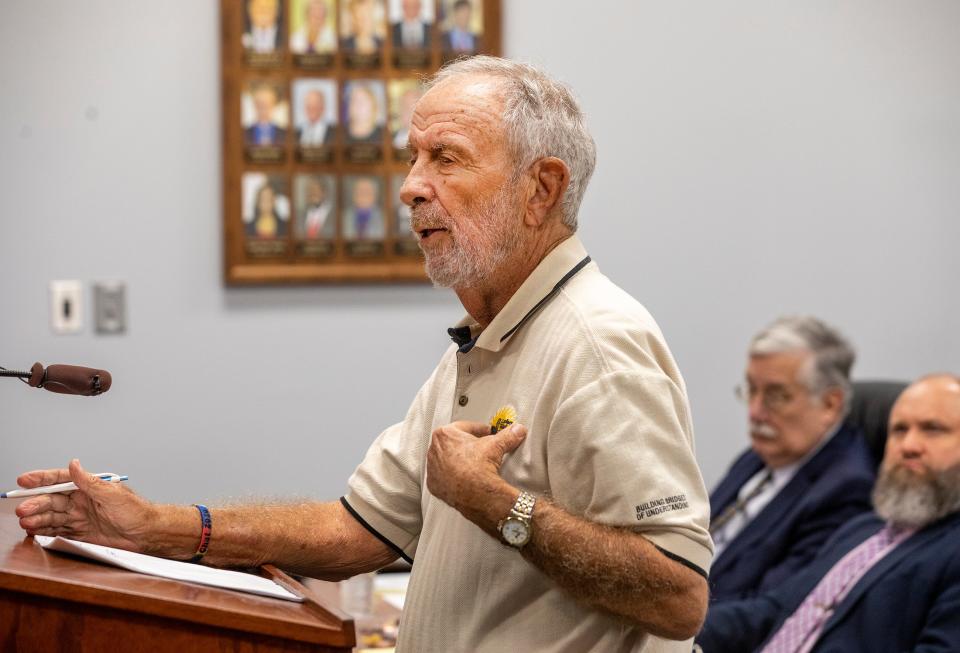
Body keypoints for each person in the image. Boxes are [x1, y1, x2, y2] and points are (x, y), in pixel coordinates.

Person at [15, 56, 711, 653]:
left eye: (445, 158)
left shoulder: (598, 339)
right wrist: (152, 524)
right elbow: (356, 526)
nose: (410, 185)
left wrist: (498, 503)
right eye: (412, 157)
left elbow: (680, 592)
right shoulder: (490, 336)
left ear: (541, 190)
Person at [696, 374, 960, 652]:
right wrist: (681, 631)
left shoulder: (951, 551)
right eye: (899, 430)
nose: (908, 446)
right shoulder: (861, 528)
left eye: (933, 429)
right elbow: (774, 609)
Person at [708, 316, 875, 602]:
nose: (755, 412)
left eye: (776, 396)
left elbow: (771, 609)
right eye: (752, 390)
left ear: (830, 405)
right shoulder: (757, 458)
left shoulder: (845, 491)